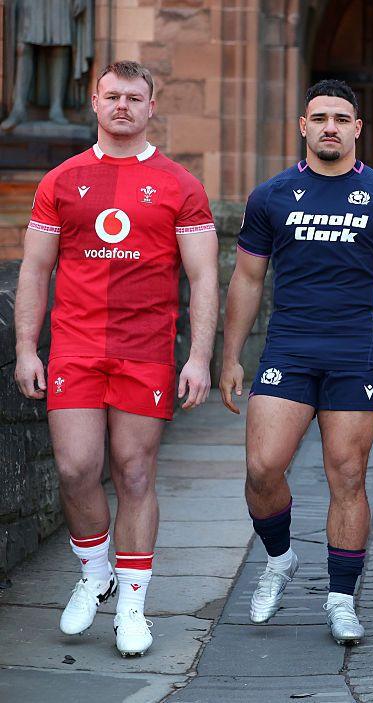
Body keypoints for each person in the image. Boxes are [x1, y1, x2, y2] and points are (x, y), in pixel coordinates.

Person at [14, 60, 218, 656]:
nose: (122, 106)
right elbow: (35, 269)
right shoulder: (61, 179)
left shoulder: (181, 184)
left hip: (146, 349)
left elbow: (205, 279)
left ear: (152, 107)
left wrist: (199, 358)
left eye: (134, 97)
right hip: (75, 346)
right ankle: (94, 571)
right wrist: (27, 348)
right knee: (77, 468)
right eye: (111, 97)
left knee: (133, 472)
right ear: (95, 105)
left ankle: (132, 600)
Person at [218, 79, 373, 646]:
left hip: (354, 351)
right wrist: (230, 356)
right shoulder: (272, 195)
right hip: (288, 348)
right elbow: (246, 278)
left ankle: (340, 598)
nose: (330, 126)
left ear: (357, 128)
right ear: (303, 127)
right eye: (320, 117)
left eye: (341, 117)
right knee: (263, 468)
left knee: (349, 475)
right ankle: (281, 557)